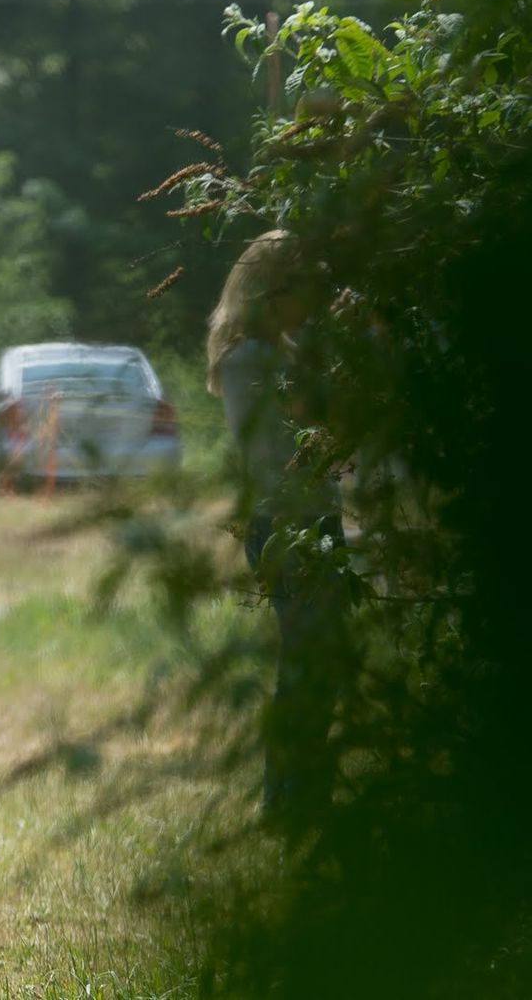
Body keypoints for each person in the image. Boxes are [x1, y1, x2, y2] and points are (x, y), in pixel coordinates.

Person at [206, 229, 349, 824]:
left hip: (307, 519)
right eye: (302, 290)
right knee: (307, 664)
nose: (310, 303)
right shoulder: (249, 359)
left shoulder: (274, 353)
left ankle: (296, 798)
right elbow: (313, 412)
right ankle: (291, 801)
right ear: (272, 292)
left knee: (317, 661)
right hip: (290, 525)